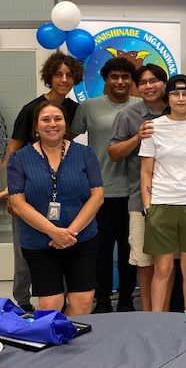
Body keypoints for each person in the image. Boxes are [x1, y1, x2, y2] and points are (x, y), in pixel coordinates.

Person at [7, 101, 104, 315]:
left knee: (83, 301)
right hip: (39, 242)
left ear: (65, 124)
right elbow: (18, 203)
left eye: (58, 119)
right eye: (45, 119)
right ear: (36, 127)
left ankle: (69, 343)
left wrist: (70, 232)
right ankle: (51, 345)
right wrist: (54, 232)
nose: (52, 124)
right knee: (51, 305)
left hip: (81, 238)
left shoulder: (85, 153)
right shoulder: (19, 158)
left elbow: (97, 195)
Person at [5, 51, 84, 313]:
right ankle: (23, 302)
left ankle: (58, 301)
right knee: (25, 252)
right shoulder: (32, 109)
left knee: (60, 248)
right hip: (30, 190)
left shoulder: (74, 109)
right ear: (49, 76)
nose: (64, 79)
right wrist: (13, 191)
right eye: (58, 74)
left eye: (69, 75)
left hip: (61, 189)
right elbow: (13, 151)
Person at [139, 74, 186, 313]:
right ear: (168, 97)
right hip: (162, 204)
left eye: (185, 94)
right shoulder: (154, 128)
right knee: (162, 268)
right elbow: (145, 172)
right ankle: (156, 320)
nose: (180, 98)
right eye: (175, 94)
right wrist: (148, 208)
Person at [70, 58, 140, 313]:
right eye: (114, 77)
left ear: (132, 81)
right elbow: (67, 140)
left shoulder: (142, 106)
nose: (120, 81)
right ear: (105, 79)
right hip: (99, 192)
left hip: (134, 191)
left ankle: (125, 299)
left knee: (129, 250)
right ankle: (101, 300)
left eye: (125, 77)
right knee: (100, 251)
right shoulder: (88, 107)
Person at [108, 64, 172, 311]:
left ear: (164, 84)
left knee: (167, 263)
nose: (149, 86)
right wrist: (137, 137)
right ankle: (148, 313)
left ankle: (164, 314)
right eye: (143, 82)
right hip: (140, 200)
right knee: (144, 263)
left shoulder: (182, 109)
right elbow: (113, 153)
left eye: (154, 81)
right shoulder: (128, 115)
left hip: (176, 199)